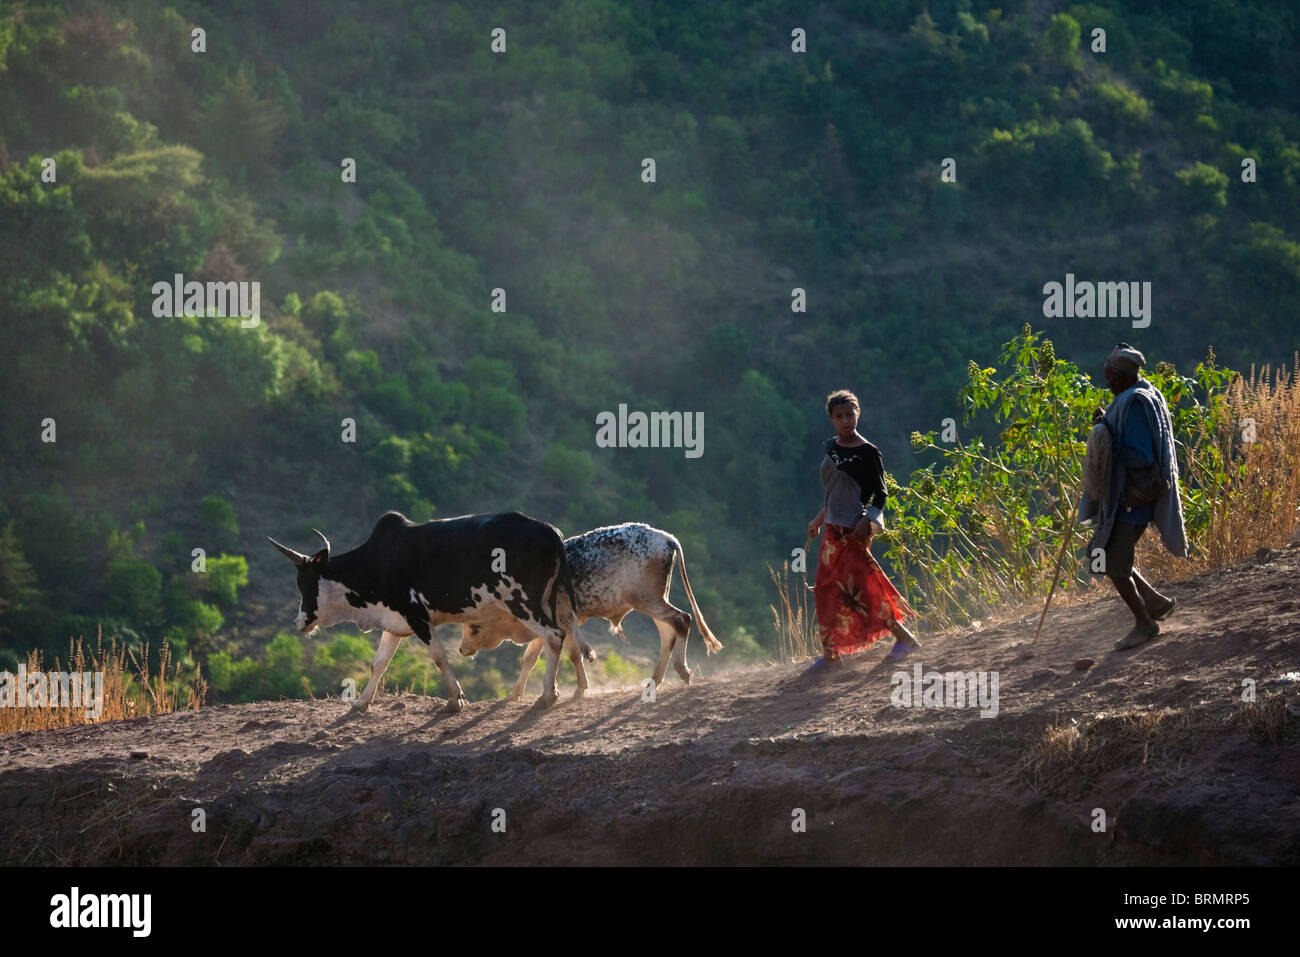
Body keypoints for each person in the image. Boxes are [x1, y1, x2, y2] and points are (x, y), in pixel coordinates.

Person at [1078, 343, 1188, 651]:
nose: (1107, 383)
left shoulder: (1136, 403)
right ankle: (1154, 602)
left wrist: (1106, 436)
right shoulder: (1136, 394)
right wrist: (1105, 424)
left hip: (1133, 499)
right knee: (1106, 552)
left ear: (1123, 377)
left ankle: (1145, 624)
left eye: (1111, 377)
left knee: (1111, 562)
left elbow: (1140, 456)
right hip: (1128, 498)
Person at [805, 389, 920, 671]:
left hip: (852, 532)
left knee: (865, 588)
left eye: (850, 414)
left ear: (859, 413)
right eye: (839, 416)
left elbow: (881, 495)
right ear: (831, 419)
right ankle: (831, 654)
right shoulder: (832, 447)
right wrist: (820, 518)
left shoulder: (868, 453)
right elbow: (835, 491)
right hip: (832, 531)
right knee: (825, 590)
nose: (846, 420)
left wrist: (866, 520)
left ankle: (905, 638)